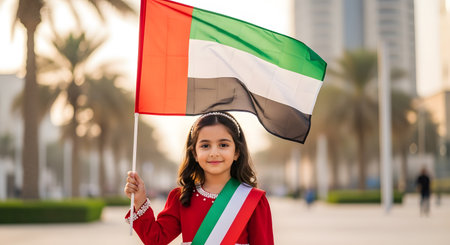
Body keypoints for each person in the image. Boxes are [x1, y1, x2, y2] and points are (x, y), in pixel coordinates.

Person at [124, 111, 274, 245]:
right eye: (205, 146)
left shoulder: (253, 200)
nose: (214, 153)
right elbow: (155, 240)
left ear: (237, 152)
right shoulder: (181, 197)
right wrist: (139, 200)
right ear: (194, 153)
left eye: (223, 145)